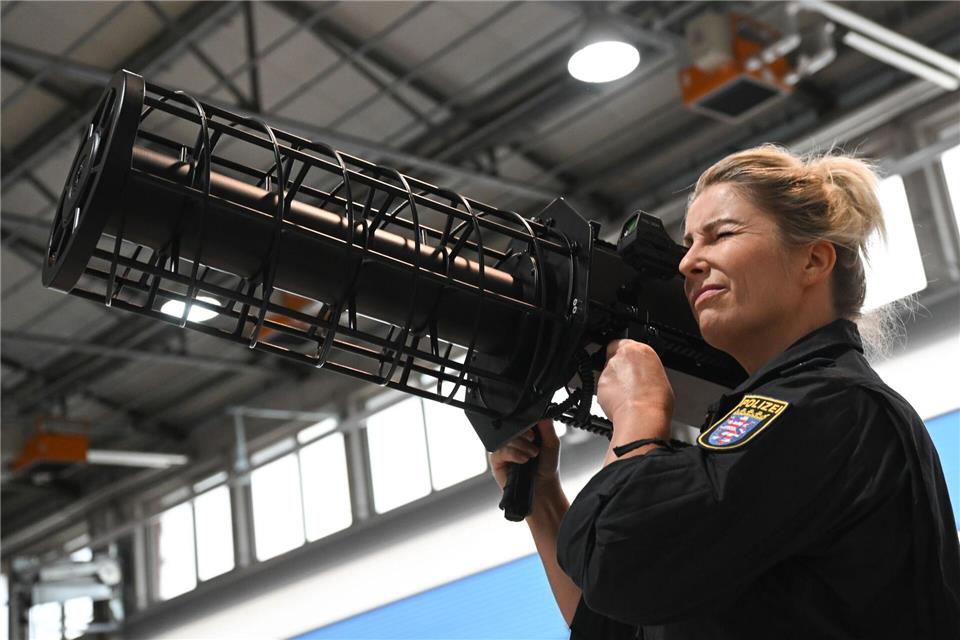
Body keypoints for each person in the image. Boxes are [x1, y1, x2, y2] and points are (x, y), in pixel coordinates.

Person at [490, 145, 960, 639]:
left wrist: (639, 412)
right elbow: (619, 624)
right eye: (690, 243)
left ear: (812, 261)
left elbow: (623, 569)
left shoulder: (832, 407)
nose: (688, 262)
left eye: (722, 235)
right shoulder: (782, 422)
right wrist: (543, 497)